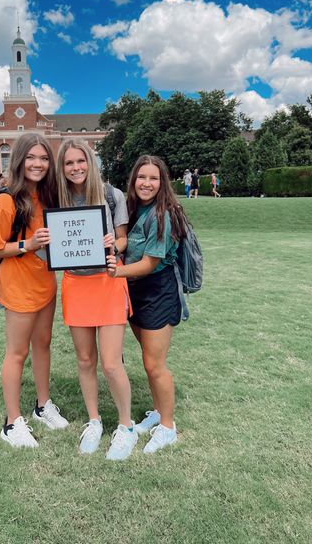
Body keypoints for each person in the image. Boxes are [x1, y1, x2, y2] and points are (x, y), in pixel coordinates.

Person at [0, 133, 68, 448]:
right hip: (18, 286)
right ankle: (11, 422)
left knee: (43, 345)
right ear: (19, 160)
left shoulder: (47, 197)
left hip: (45, 282)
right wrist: (26, 245)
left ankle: (42, 406)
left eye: (44, 158)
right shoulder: (6, 200)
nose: (38, 163)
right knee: (17, 353)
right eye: (31, 157)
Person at [56, 139, 138, 461]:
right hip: (76, 283)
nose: (75, 168)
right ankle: (94, 421)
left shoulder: (110, 194)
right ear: (62, 168)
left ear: (91, 162)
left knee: (111, 363)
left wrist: (114, 245)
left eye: (81, 161)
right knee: (86, 360)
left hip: (107, 282)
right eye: (69, 163)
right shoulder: (58, 197)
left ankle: (126, 426)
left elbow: (123, 238)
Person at [106, 155, 188, 454]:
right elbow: (123, 239)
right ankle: (156, 411)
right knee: (147, 358)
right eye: (142, 177)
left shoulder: (164, 213)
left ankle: (168, 427)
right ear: (133, 180)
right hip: (135, 292)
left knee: (155, 364)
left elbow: (150, 263)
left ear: (162, 182)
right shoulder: (132, 207)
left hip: (158, 290)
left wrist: (117, 271)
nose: (147, 183)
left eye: (153, 178)